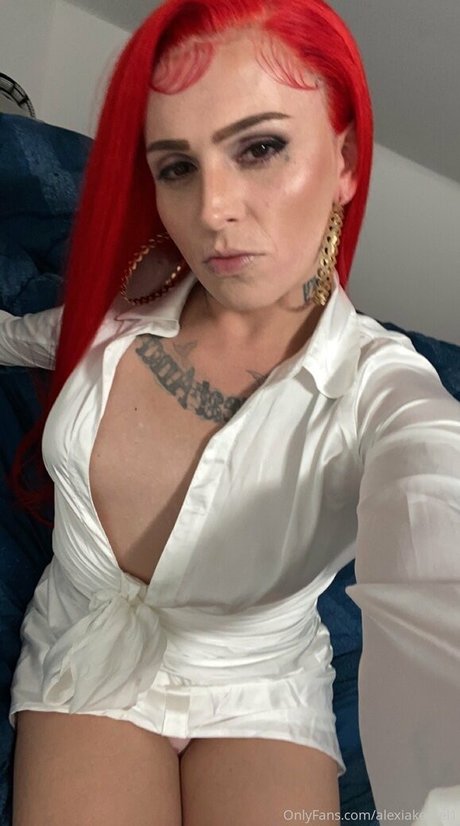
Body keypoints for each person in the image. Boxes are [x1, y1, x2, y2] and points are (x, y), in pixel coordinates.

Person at [1, 0, 459, 823]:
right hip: (83, 645)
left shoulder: (383, 391)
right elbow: (36, 338)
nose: (212, 210)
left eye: (260, 148)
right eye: (178, 166)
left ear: (346, 162)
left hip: (260, 684)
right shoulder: (132, 296)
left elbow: (436, 504)